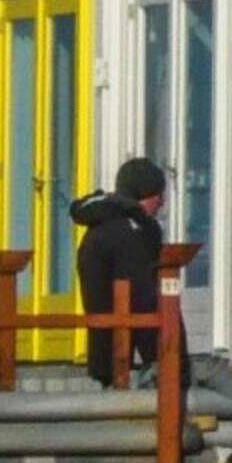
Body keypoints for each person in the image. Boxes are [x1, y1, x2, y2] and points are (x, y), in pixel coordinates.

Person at [68, 157, 168, 388]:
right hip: (124, 358)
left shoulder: (97, 228)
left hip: (102, 355)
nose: (161, 203)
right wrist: (161, 358)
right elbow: (143, 295)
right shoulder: (135, 233)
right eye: (158, 196)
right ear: (144, 195)